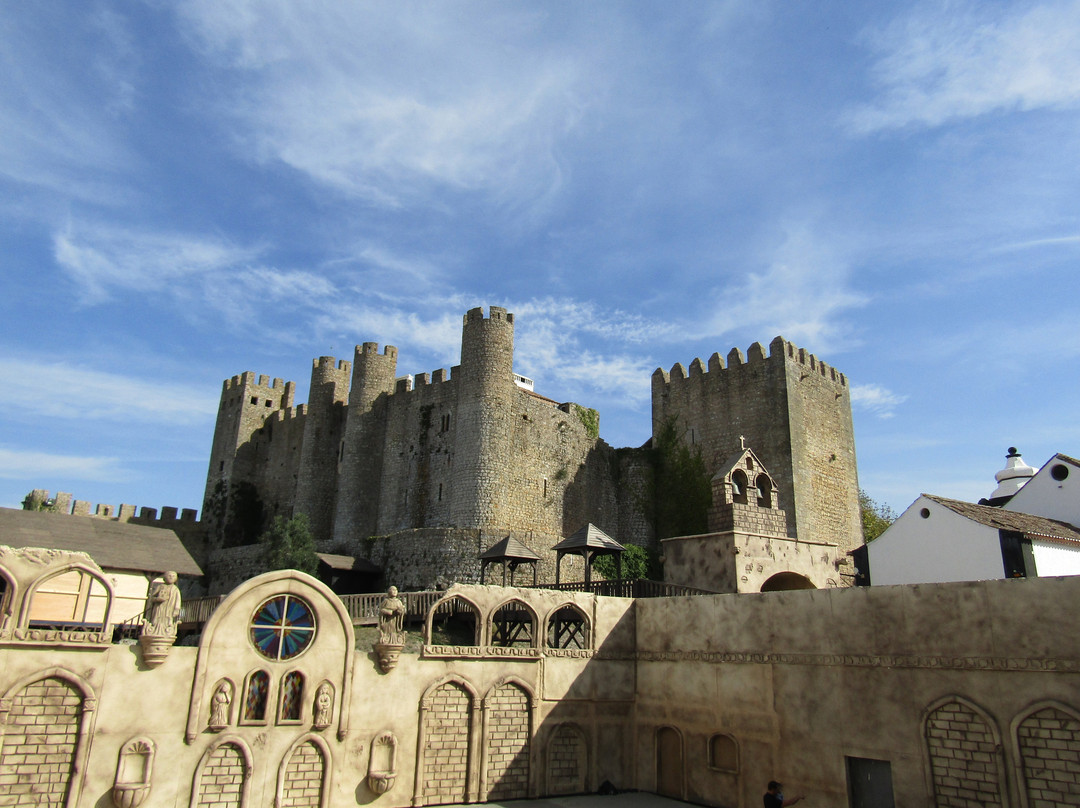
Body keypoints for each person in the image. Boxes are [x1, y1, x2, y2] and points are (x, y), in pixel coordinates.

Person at [144, 571, 182, 636]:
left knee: (168, 621)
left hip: (169, 609)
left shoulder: (175, 589)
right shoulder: (160, 586)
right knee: (156, 620)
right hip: (159, 609)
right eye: (169, 576)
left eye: (173, 576)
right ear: (165, 577)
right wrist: (157, 599)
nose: (171, 577)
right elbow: (152, 598)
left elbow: (178, 600)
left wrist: (176, 609)